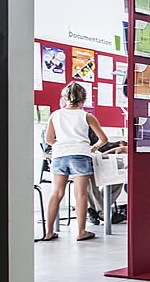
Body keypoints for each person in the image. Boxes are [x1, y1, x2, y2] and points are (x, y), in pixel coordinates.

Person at [42, 82, 109, 241]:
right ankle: (81, 232)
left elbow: (49, 139)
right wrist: (93, 147)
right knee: (80, 194)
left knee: (57, 193)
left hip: (59, 156)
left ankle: (48, 232)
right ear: (84, 100)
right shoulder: (86, 116)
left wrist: (62, 144)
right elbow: (104, 139)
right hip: (80, 155)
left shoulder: (55, 115)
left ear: (64, 98)